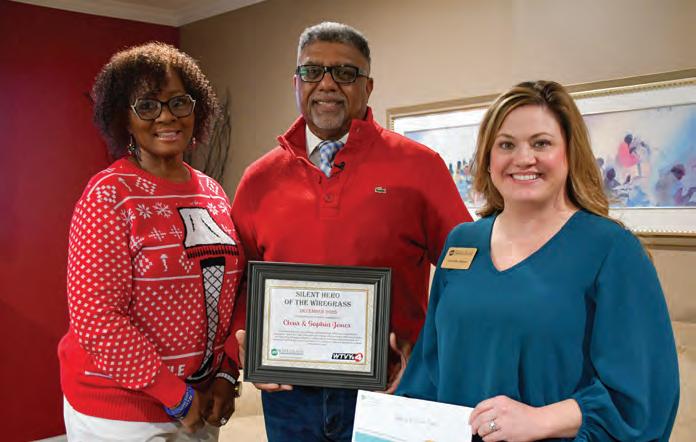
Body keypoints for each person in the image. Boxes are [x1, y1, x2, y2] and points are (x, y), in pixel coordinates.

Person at [397, 80, 679, 441]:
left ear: (570, 153)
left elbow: (644, 395)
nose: (523, 158)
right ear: (488, 158)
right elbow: (430, 368)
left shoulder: (611, 249)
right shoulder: (462, 242)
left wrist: (540, 420)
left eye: (541, 143)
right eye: (506, 145)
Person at [231, 22, 471, 442]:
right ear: (296, 82)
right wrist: (244, 347)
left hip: (391, 390)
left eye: (344, 73)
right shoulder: (258, 179)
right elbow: (238, 284)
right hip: (289, 398)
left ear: (368, 86)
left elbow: (465, 270)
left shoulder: (420, 166)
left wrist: (428, 354)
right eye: (312, 71)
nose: (326, 84)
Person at [58, 42, 245, 441]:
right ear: (123, 118)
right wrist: (174, 395)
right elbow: (97, 319)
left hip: (198, 400)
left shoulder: (213, 192)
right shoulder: (109, 195)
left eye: (179, 102)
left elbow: (233, 294)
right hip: (120, 411)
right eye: (147, 106)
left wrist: (226, 373)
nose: (166, 116)